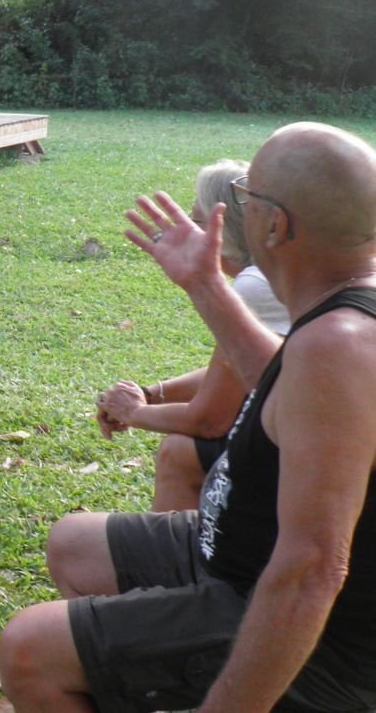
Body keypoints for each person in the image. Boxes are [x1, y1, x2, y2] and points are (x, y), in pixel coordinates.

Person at [0, 122, 376, 713]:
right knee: (75, 544)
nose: (241, 206)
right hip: (239, 551)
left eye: (247, 194)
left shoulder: (339, 346)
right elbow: (281, 382)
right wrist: (204, 283)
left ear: (274, 225)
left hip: (316, 636)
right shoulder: (342, 310)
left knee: (28, 648)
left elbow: (312, 570)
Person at [94, 159, 290, 511]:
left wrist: (133, 412)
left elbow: (209, 420)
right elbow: (245, 369)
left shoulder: (255, 284)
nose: (185, 231)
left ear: (226, 229)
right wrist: (151, 395)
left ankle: (188, 547)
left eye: (195, 222)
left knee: (179, 451)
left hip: (319, 450)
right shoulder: (278, 269)